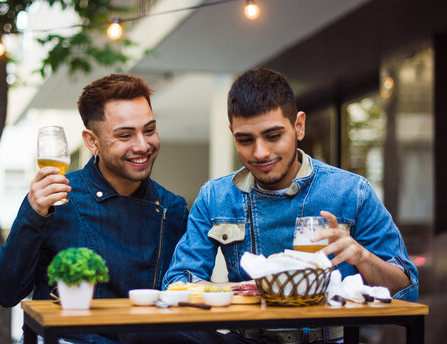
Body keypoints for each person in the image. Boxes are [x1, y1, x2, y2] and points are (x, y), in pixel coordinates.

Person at [162, 67, 418, 343]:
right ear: (232, 133)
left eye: (273, 136)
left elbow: (406, 289)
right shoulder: (215, 196)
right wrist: (244, 289)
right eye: (245, 139)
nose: (260, 153)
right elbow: (178, 282)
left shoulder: (351, 192)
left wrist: (361, 256)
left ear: (299, 126)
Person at [0, 74, 188, 344]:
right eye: (125, 135)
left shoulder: (172, 208)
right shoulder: (56, 200)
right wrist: (33, 213)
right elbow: (6, 292)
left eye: (149, 130)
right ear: (92, 141)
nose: (143, 145)